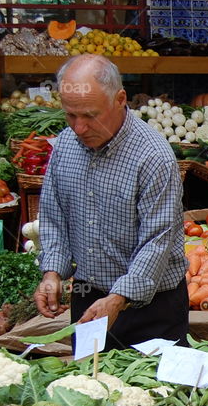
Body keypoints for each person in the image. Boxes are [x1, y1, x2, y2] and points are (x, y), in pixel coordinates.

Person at [34, 54, 189, 350]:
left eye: (90, 116)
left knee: (157, 392)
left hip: (152, 307)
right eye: (70, 115)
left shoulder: (153, 156)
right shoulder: (66, 145)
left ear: (120, 99)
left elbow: (157, 241)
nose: (79, 128)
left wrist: (119, 299)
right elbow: (54, 217)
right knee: (90, 389)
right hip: (88, 298)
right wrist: (52, 273)